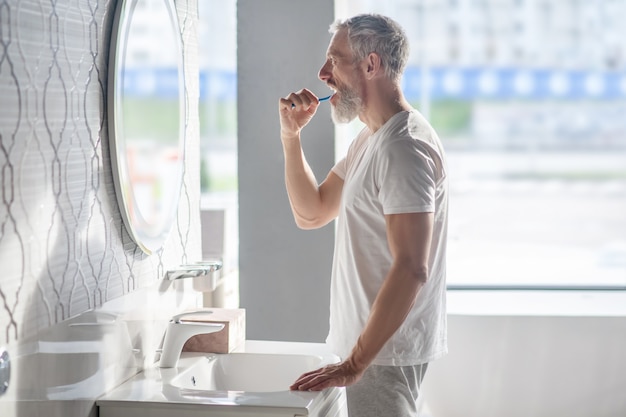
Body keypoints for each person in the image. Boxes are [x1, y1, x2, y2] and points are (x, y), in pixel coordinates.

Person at [278, 13, 448, 417]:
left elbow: (411, 267)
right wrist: (290, 136)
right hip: (371, 351)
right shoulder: (372, 138)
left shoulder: (402, 149)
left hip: (381, 355)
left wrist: (355, 364)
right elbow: (313, 213)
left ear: (370, 65)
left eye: (333, 61)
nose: (322, 74)